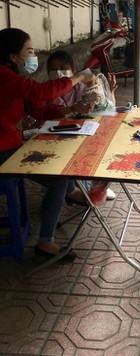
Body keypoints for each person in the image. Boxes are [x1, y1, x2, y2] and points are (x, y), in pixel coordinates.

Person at [0, 28, 94, 259]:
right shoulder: (3, 76)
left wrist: (72, 108)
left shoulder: (14, 78)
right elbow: (41, 92)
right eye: (30, 51)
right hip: (3, 151)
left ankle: (71, 193)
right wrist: (78, 77)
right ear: (13, 56)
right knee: (57, 178)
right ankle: (45, 243)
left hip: (11, 144)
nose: (33, 56)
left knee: (62, 152)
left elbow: (40, 110)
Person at [46, 50, 117, 201]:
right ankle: (75, 191)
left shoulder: (83, 87)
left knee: (100, 148)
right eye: (52, 69)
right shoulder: (47, 92)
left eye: (62, 66)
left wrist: (108, 90)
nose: (58, 72)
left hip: (84, 134)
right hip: (58, 138)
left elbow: (107, 109)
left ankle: (95, 188)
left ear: (73, 69)